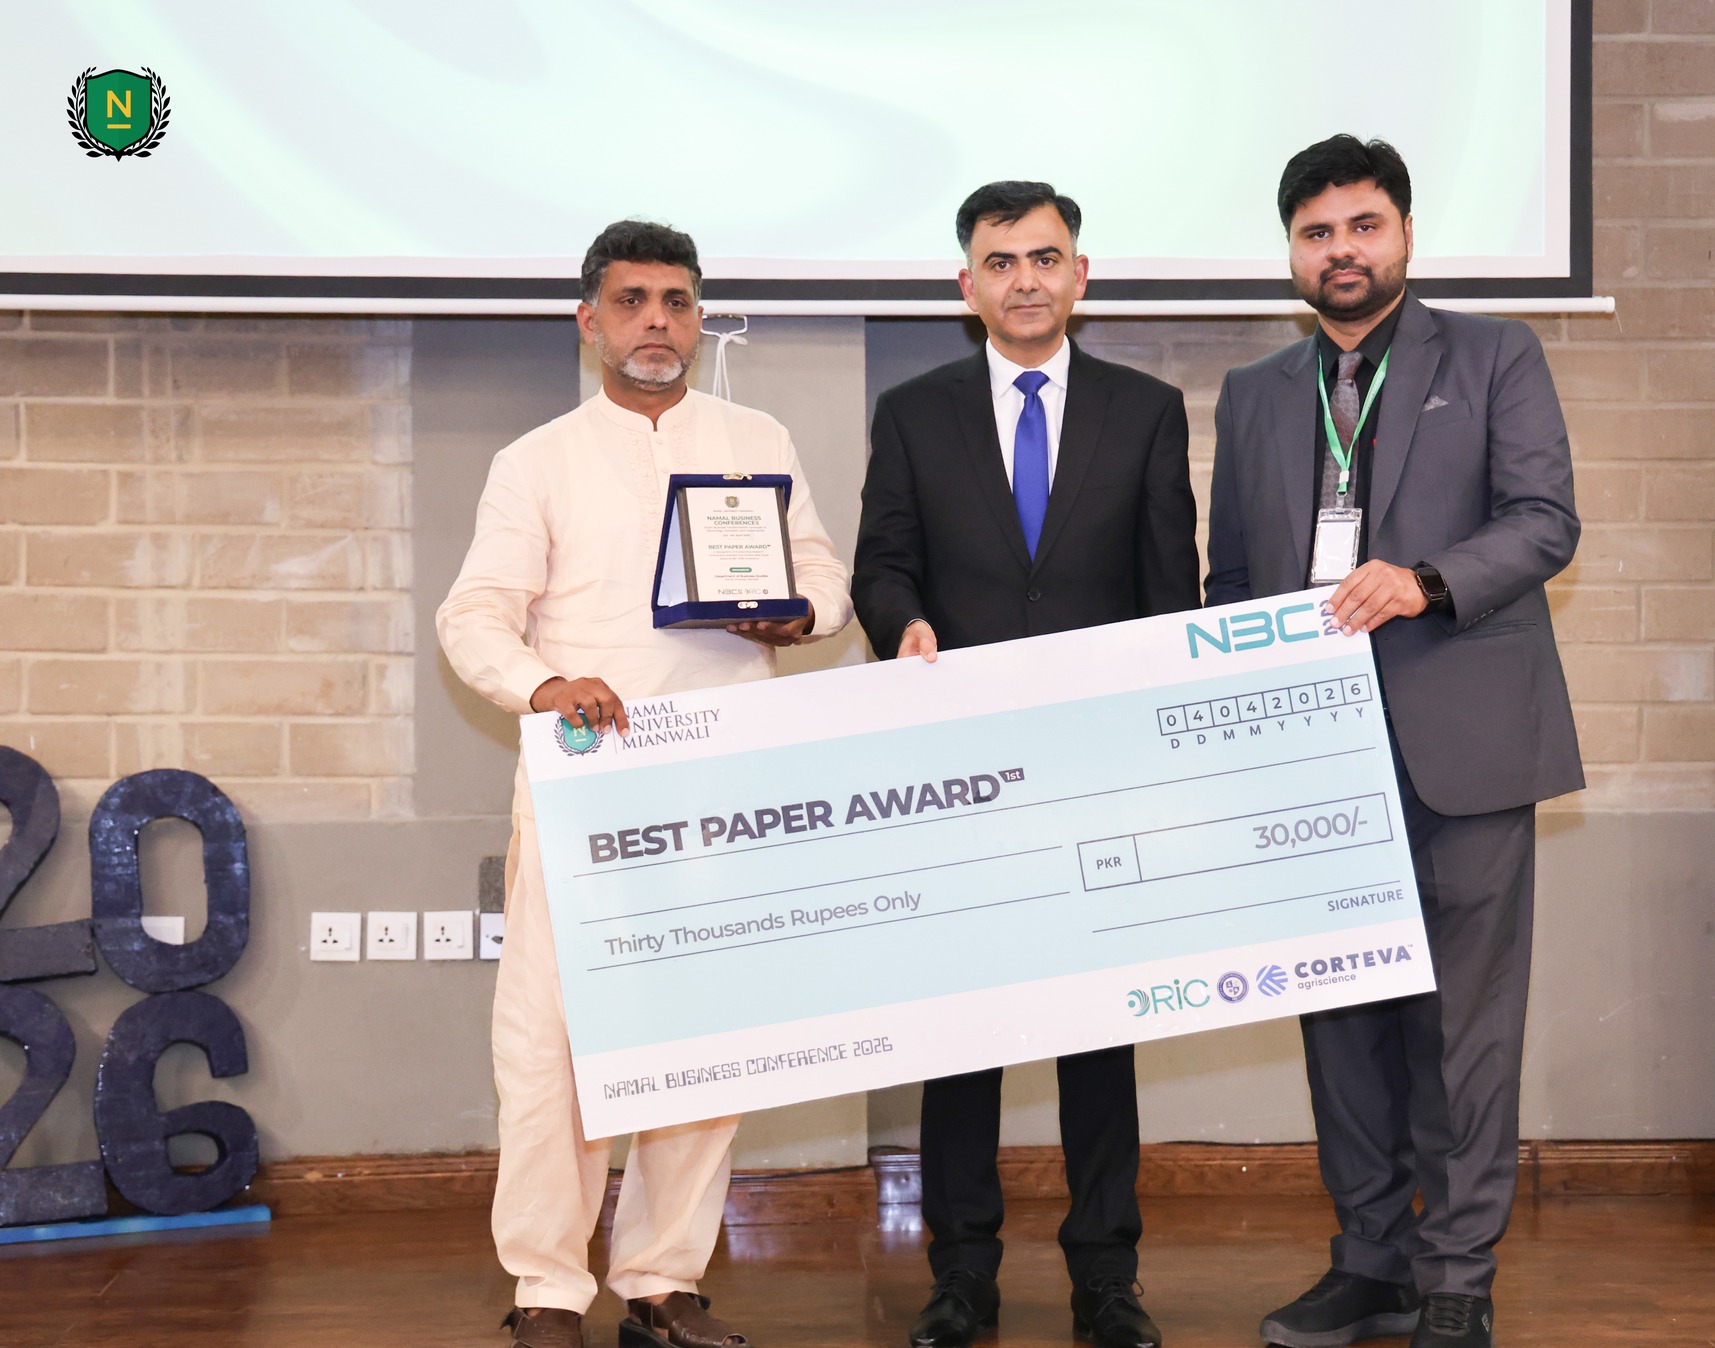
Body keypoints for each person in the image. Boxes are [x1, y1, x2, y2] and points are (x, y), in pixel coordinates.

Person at [439, 220, 852, 1348]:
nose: (656, 322)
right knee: (551, 1048)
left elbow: (824, 576)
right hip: (586, 783)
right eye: (631, 302)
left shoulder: (755, 438)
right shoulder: (536, 460)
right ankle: (545, 1287)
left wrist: (796, 614)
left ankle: (663, 1281)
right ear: (590, 322)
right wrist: (543, 683)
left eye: (676, 301)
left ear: (698, 318)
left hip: (723, 783)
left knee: (703, 1041)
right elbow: (473, 616)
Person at [1205, 136, 1581, 1348]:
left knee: (1462, 1029)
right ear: (1291, 252)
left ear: (1404, 234)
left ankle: (1455, 1273)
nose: (1341, 251)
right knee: (1342, 1023)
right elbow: (1228, 582)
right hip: (1313, 756)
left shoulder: (1492, 354)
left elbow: (1543, 521)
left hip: (1464, 747)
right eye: (1316, 232)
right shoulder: (1255, 392)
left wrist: (1423, 579)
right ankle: (1368, 1259)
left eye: (1362, 225)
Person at [852, 181, 1199, 1348]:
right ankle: (961, 1272)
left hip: (1099, 774)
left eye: (1044, 257)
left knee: (1099, 1034)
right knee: (962, 1036)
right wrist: (901, 625)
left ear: (1078, 274)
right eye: (999, 262)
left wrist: (1160, 761)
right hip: (964, 776)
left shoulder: (1147, 411)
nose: (1024, 280)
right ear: (967, 287)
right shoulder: (913, 413)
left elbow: (1170, 592)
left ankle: (1107, 1273)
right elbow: (881, 563)